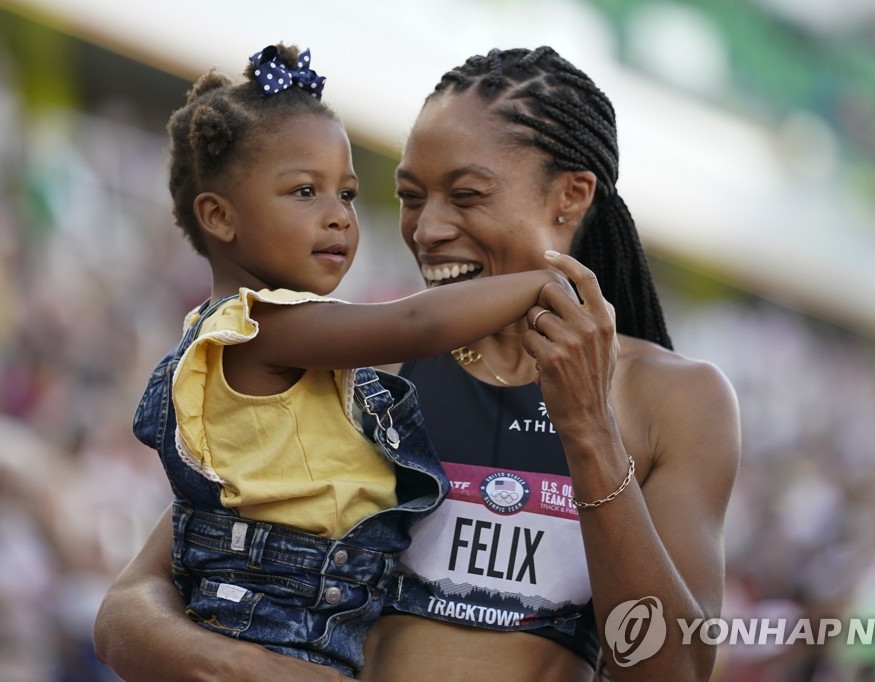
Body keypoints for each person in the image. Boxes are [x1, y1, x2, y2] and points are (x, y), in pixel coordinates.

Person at [94, 46, 741, 681]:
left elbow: (672, 668)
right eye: (410, 197)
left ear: (569, 197)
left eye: (465, 195)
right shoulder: (362, 364)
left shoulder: (675, 400)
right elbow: (130, 608)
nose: (427, 229)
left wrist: (590, 433)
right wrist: (246, 666)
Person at [126, 42, 579, 678]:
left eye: (347, 193)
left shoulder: (279, 337)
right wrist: (542, 283)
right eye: (305, 191)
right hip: (270, 613)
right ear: (219, 217)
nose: (339, 217)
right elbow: (412, 322)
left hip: (314, 610)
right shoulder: (259, 328)